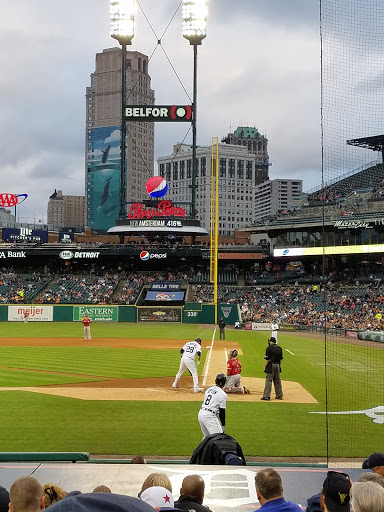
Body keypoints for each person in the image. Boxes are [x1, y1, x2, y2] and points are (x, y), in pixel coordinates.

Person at [198, 373, 227, 438]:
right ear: (224, 383)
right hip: (209, 416)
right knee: (219, 437)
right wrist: (223, 425)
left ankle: (202, 448)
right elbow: (222, 411)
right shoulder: (223, 394)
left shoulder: (209, 390)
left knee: (207, 437)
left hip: (201, 413)